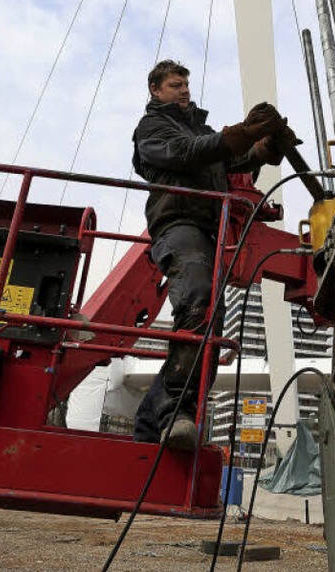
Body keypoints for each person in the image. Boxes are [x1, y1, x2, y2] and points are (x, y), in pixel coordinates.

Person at [131, 59, 293, 450]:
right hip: (178, 225)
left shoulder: (199, 129)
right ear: (155, 90)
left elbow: (231, 157)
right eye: (175, 85)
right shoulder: (152, 129)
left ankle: (160, 423)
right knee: (198, 299)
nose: (184, 90)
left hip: (208, 232)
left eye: (186, 83)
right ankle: (174, 415)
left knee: (209, 325)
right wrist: (238, 134)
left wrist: (266, 146)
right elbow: (188, 153)